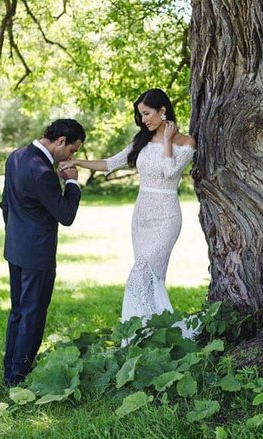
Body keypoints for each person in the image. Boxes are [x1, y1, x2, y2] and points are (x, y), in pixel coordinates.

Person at [59, 88, 196, 335]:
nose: (143, 120)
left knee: (142, 274)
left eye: (146, 114)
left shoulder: (186, 143)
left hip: (166, 216)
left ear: (162, 111)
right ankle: (146, 333)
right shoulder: (141, 141)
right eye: (140, 115)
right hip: (141, 216)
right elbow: (110, 163)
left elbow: (169, 173)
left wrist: (166, 142)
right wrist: (77, 162)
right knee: (144, 278)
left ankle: (150, 333)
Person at [0, 118, 85, 386]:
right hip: (38, 255)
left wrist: (18, 234)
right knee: (33, 315)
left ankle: (9, 370)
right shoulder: (42, 172)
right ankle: (19, 376)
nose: (71, 156)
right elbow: (65, 215)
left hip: (15, 248)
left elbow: (6, 204)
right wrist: (71, 183)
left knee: (18, 311)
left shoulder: (17, 157)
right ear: (60, 141)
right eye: (72, 150)